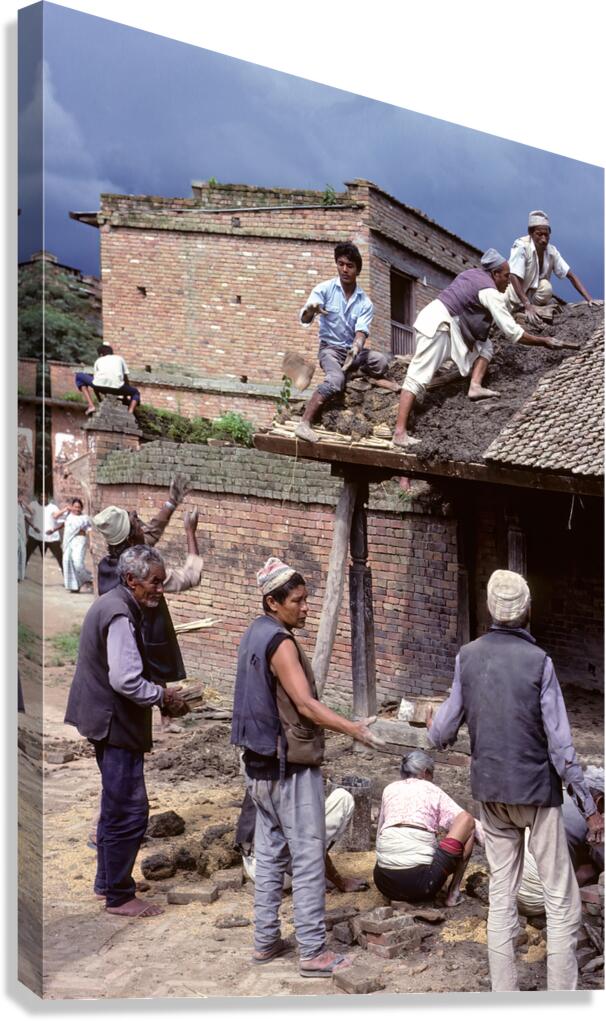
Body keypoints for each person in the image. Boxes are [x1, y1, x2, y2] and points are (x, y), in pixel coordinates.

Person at [427, 569, 604, 992]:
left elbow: (440, 733)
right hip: (537, 795)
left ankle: (502, 998)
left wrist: (434, 728)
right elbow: (561, 746)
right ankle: (561, 999)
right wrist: (589, 805)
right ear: (527, 609)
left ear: (491, 609)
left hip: (490, 792)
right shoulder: (539, 661)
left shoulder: (467, 656)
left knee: (502, 897)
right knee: (561, 903)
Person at [231, 556, 385, 977]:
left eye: (306, 599)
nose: (305, 608)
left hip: (258, 768)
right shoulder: (279, 642)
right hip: (288, 768)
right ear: (272, 602)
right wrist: (354, 728)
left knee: (269, 856)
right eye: (297, 601)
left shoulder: (254, 633)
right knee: (306, 856)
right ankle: (313, 951)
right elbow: (305, 705)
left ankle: (265, 942)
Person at [64, 546, 188, 918]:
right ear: (131, 580)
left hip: (103, 718)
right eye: (154, 582)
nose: (160, 590)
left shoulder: (115, 603)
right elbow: (126, 680)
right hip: (114, 721)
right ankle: (119, 894)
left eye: (162, 582)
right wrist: (163, 696)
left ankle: (108, 882)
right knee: (129, 809)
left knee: (115, 803)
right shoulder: (120, 613)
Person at [392, 249, 564, 448]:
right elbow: (512, 332)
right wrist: (543, 341)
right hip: (439, 326)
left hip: (448, 324)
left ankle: (475, 386)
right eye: (506, 277)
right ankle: (399, 432)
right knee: (417, 378)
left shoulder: (470, 274)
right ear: (495, 274)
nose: (508, 281)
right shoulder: (490, 291)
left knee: (485, 346)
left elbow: (469, 309)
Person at [93, 485, 201, 728]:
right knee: (148, 672)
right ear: (132, 537)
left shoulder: (109, 563)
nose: (142, 525)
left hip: (129, 635)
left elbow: (150, 533)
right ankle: (165, 714)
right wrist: (190, 532)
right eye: (136, 523)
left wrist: (171, 502)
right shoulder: (143, 572)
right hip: (143, 632)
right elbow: (191, 576)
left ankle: (161, 715)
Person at [295, 241, 392, 443]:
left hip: (351, 352)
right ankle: (304, 423)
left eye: (350, 266)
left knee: (381, 361)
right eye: (341, 264)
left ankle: (350, 371)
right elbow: (305, 318)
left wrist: (356, 348)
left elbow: (361, 332)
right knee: (335, 381)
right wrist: (310, 311)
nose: (344, 270)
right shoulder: (324, 290)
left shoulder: (365, 302)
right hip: (329, 350)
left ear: (357, 269)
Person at [374, 750, 483, 906]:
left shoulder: (389, 789)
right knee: (467, 820)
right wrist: (500, 842)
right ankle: (453, 894)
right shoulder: (431, 789)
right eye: (432, 774)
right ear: (425, 773)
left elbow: (380, 834)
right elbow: (463, 821)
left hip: (384, 883)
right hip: (420, 884)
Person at [235, 786, 368, 893]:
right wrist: (339, 881)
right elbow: (306, 837)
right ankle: (312, 873)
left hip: (254, 868)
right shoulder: (292, 782)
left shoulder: (259, 773)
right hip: (277, 876)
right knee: (343, 798)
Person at [517, 767, 604, 917]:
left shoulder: (559, 794)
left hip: (513, 892)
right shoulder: (594, 817)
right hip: (541, 899)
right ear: (600, 800)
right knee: (593, 871)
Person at [505, 210, 595, 326]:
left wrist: (589, 299)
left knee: (546, 287)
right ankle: (522, 308)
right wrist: (527, 304)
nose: (543, 239)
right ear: (530, 233)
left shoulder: (551, 251)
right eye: (539, 234)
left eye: (546, 235)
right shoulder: (521, 245)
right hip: (514, 296)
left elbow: (570, 275)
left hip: (532, 297)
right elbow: (513, 275)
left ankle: (532, 307)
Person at [76, 343, 141, 415]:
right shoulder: (119, 358)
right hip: (117, 388)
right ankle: (130, 412)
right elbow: (125, 378)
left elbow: (96, 379)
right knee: (136, 392)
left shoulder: (98, 360)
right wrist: (125, 394)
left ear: (101, 354)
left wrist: (99, 400)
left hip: (99, 386)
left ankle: (91, 406)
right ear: (111, 353)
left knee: (79, 375)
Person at [55, 497, 93, 593]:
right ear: (72, 507)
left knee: (78, 563)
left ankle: (90, 579)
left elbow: (89, 531)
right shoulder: (68, 515)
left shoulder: (84, 518)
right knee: (67, 561)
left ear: (81, 508)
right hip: (68, 541)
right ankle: (75, 586)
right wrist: (65, 509)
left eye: (79, 507)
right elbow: (55, 517)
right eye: (75, 507)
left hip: (80, 540)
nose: (77, 509)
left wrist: (91, 543)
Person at [26, 493, 64, 568]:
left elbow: (60, 520)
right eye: (41, 496)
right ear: (38, 497)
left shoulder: (53, 507)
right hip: (34, 536)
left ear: (47, 498)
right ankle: (18, 575)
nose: (43, 498)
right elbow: (26, 516)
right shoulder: (33, 504)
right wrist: (33, 526)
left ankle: (67, 576)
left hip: (51, 538)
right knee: (26, 555)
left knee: (60, 558)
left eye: (45, 497)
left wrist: (53, 530)